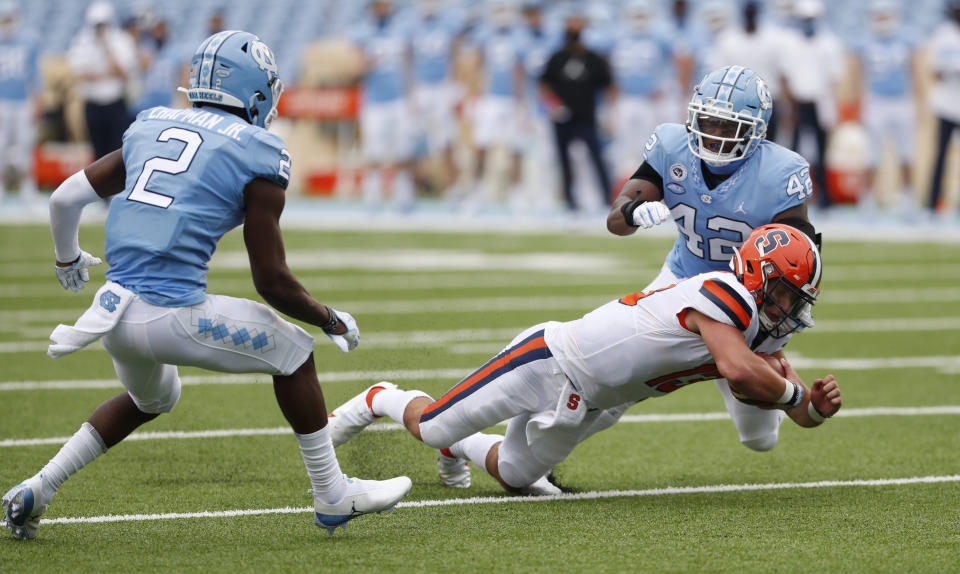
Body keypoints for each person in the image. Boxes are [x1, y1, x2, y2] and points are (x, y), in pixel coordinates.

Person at [0, 31, 411, 541]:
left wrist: (67, 259)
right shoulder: (258, 150)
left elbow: (63, 198)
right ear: (256, 92)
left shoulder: (151, 122)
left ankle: (37, 487)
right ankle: (332, 494)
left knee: (154, 397)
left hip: (110, 313)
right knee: (296, 352)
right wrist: (329, 317)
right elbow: (273, 282)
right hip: (171, 313)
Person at [327, 224, 841, 494]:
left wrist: (814, 408)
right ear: (755, 273)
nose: (787, 310)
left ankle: (460, 447)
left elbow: (782, 399)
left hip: (592, 401)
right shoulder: (721, 290)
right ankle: (379, 398)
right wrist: (792, 393)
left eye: (796, 302)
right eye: (784, 294)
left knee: (513, 477)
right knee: (433, 427)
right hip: (548, 360)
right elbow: (740, 374)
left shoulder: (760, 336)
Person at [603, 65, 819, 455]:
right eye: (709, 122)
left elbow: (800, 253)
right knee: (617, 379)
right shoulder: (671, 146)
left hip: (744, 301)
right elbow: (615, 220)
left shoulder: (781, 172)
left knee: (760, 439)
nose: (715, 134)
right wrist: (633, 212)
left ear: (757, 130)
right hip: (679, 283)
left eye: (728, 126)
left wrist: (777, 320)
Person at [539, 12, 615, 212]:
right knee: (564, 161)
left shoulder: (593, 59)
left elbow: (608, 86)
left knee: (596, 159)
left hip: (586, 117)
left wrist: (608, 114)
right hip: (562, 118)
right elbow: (544, 84)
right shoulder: (558, 57)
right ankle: (570, 201)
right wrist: (553, 105)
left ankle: (607, 198)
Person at [851, 0, 918, 218]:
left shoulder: (906, 40)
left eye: (885, 16)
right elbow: (859, 75)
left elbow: (913, 71)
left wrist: (917, 100)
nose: (883, 21)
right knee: (872, 154)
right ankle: (867, 199)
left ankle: (909, 199)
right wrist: (860, 102)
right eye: (879, 17)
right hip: (876, 101)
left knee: (907, 152)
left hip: (902, 100)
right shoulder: (865, 42)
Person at [778, 0, 846, 211]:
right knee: (794, 153)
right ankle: (790, 197)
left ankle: (824, 199)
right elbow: (785, 76)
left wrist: (832, 108)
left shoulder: (829, 43)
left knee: (821, 153)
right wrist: (789, 107)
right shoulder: (790, 42)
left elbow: (834, 79)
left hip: (820, 101)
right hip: (799, 102)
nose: (808, 23)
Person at [351, 0, 418, 212]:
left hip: (398, 99)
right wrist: (369, 64)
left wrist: (411, 95)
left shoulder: (401, 30)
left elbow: (408, 65)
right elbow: (355, 69)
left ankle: (404, 197)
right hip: (374, 101)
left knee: (403, 150)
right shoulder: (363, 33)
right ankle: (373, 197)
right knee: (373, 151)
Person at [67, 2, 137, 161]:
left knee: (117, 150)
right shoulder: (81, 41)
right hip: (92, 103)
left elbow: (123, 73)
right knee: (97, 152)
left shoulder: (121, 40)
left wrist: (106, 47)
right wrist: (106, 74)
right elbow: (78, 74)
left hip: (115, 103)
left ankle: (118, 186)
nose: (99, 29)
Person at [0, 2, 39, 207]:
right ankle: (2, 187)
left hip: (23, 101)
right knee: (1, 147)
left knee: (25, 145)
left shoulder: (29, 40)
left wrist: (37, 100)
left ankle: (27, 187)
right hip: (2, 102)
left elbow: (34, 74)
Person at [925, 0, 960, 218]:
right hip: (947, 104)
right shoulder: (942, 35)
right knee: (940, 155)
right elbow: (934, 70)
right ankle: (932, 204)